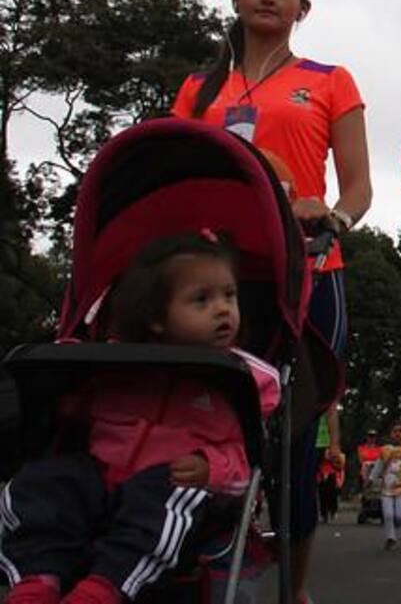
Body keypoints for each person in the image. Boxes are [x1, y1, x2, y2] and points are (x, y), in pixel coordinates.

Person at [172, 0, 371, 604]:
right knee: (202, 419)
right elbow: (176, 173)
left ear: (301, 8)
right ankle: (189, 564)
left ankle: (294, 590)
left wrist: (334, 216)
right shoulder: (199, 89)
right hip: (214, 274)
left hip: (307, 270)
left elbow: (359, 187)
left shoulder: (331, 79)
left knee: (293, 443)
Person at [0, 232, 280, 604]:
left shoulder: (239, 380)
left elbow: (244, 459)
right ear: (156, 318)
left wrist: (210, 468)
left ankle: (103, 589)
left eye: (229, 296)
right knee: (45, 479)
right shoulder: (116, 365)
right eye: (202, 299)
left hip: (169, 487)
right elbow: (78, 410)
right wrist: (63, 382)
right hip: (99, 479)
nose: (223, 309)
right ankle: (36, 580)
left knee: (167, 495)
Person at [371, 421, 401, 549]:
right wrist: (370, 479)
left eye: (400, 431)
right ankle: (390, 538)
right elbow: (378, 467)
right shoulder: (385, 450)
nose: (397, 434)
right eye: (395, 431)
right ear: (390, 434)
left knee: (400, 515)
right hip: (386, 488)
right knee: (388, 514)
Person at [315, 411, 345, 523]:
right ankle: (323, 513)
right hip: (316, 448)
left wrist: (333, 443)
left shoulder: (329, 410)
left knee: (331, 490)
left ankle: (332, 510)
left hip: (327, 445)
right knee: (321, 490)